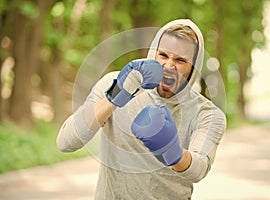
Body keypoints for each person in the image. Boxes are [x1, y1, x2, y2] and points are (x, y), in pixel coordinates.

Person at [56, 19, 226, 199]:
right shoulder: (115, 83)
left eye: (180, 60)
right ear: (153, 54)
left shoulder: (207, 114)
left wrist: (172, 151)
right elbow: (65, 142)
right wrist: (115, 97)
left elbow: (198, 169)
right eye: (163, 55)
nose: (169, 66)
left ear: (194, 67)